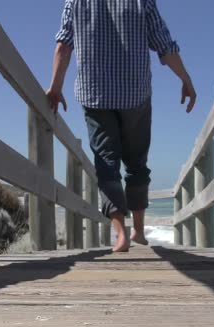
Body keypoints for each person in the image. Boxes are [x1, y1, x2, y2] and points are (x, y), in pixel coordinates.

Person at [46, 0, 196, 252]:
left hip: (96, 95)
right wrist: (185, 78)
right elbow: (164, 45)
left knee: (106, 163)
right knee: (137, 162)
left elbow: (63, 45)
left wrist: (55, 86)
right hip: (135, 95)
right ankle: (138, 229)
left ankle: (120, 234)